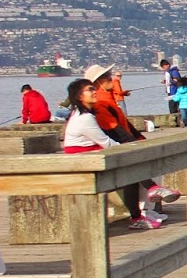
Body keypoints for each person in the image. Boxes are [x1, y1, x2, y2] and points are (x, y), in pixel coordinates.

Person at [62, 78, 161, 230]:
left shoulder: (83, 115)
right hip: (83, 166)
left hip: (87, 160)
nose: (94, 91)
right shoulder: (84, 118)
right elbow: (107, 144)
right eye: (90, 89)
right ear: (79, 96)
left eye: (94, 88)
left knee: (130, 171)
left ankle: (142, 208)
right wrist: (128, 148)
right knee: (130, 171)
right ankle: (147, 197)